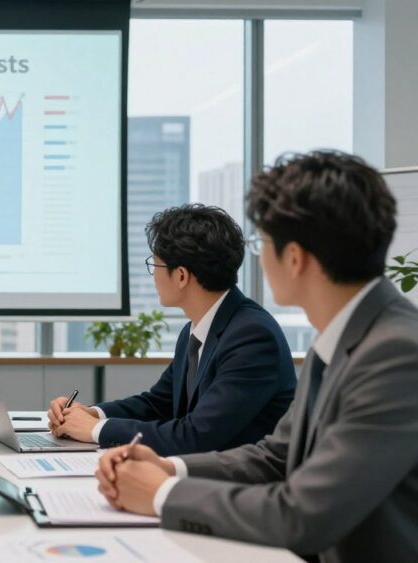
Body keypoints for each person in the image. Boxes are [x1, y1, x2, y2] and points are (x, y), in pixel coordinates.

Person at [95, 151, 418, 562]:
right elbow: (276, 457)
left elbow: (302, 514)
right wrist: (169, 468)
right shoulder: (344, 336)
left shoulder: (396, 352)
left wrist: (162, 494)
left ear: (296, 258)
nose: (257, 258)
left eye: (263, 243)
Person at [47, 204, 296, 456]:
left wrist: (95, 429)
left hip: (241, 486)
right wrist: (92, 414)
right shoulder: (197, 329)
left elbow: (196, 436)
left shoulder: (252, 337)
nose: (153, 276)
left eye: (155, 266)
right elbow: (158, 403)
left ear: (181, 276)